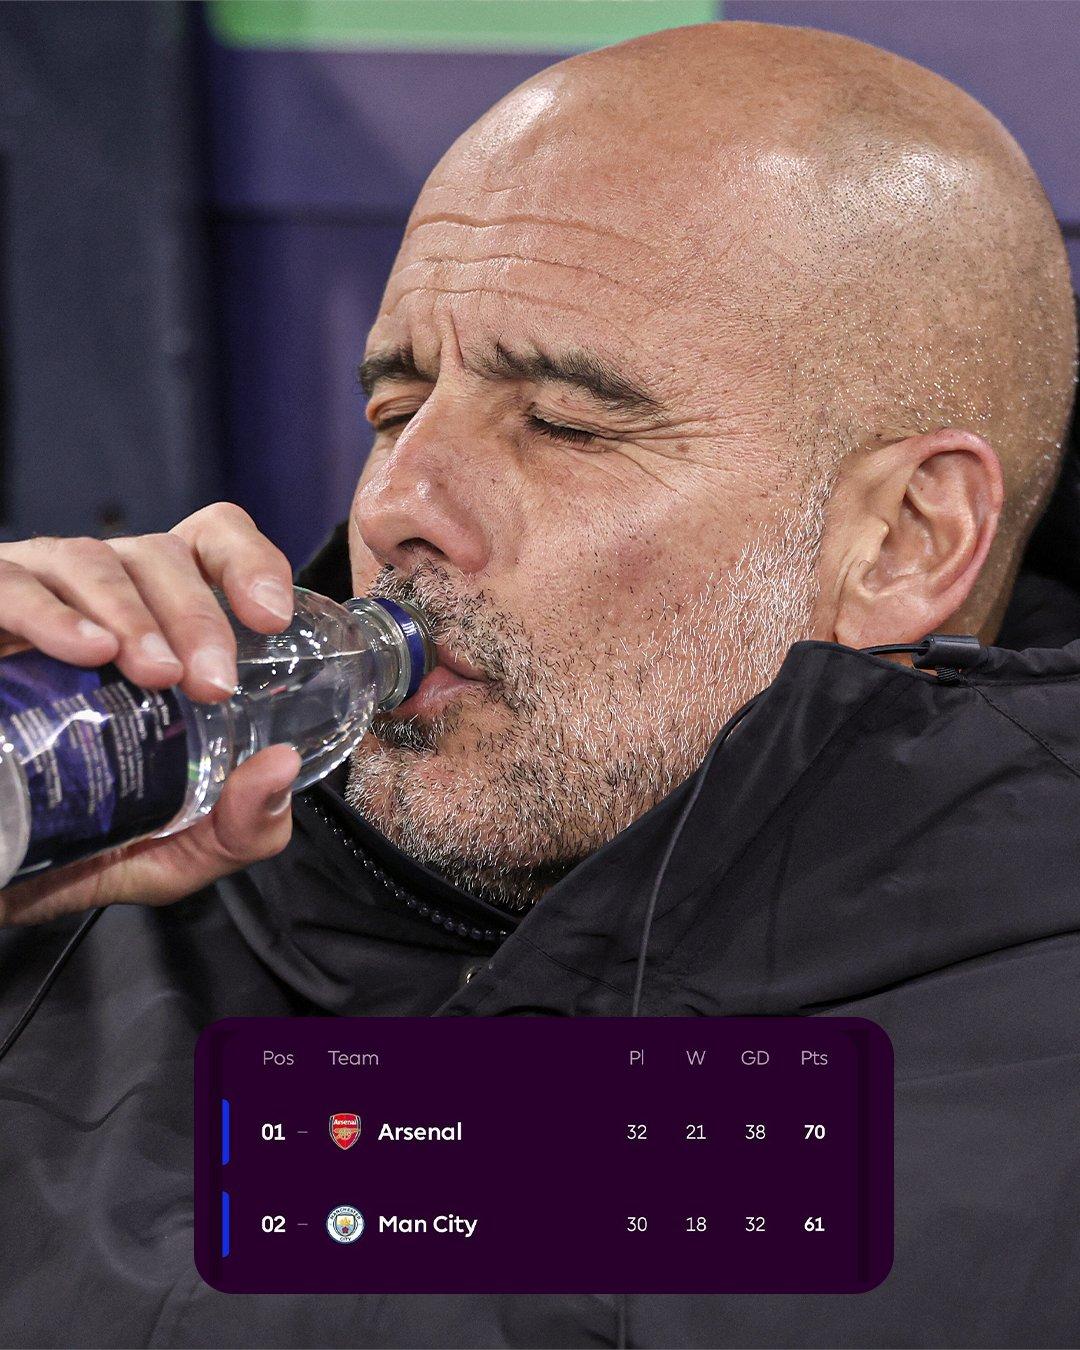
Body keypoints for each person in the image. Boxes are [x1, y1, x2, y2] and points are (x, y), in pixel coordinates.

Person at [0, 20, 1078, 1349]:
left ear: (905, 537)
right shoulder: (110, 872)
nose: (395, 504)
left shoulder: (1009, 1115)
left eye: (564, 423)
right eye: (397, 408)